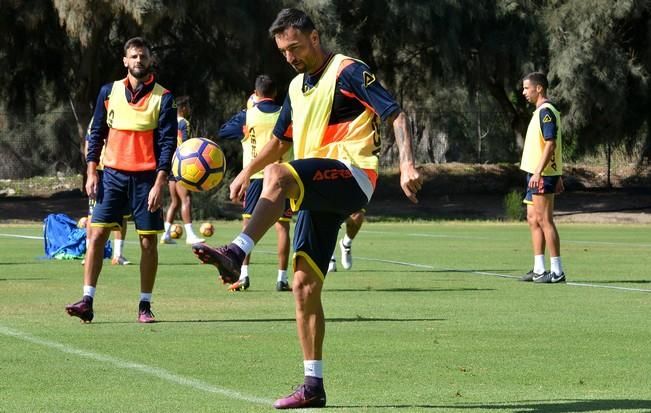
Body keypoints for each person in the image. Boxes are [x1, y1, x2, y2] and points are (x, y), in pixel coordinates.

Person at [191, 9, 422, 409]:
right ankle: (312, 385)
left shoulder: (348, 71)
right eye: (283, 51)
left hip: (352, 176)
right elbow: (280, 141)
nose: (290, 57)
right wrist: (246, 170)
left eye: (295, 47)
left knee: (280, 176)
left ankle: (237, 253)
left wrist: (406, 164)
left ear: (315, 37)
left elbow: (395, 113)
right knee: (303, 286)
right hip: (317, 188)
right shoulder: (296, 87)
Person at [65, 37, 177, 323]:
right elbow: (96, 135)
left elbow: (167, 144)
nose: (138, 61)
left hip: (146, 179)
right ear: (125, 61)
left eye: (143, 56)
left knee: (148, 243)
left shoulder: (164, 97)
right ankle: (87, 300)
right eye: (134, 56)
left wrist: (159, 182)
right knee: (96, 235)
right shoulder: (108, 92)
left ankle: (144, 305)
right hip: (111, 177)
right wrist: (92, 171)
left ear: (150, 61)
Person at [218, 74, 292, 292]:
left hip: (256, 179)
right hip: (282, 177)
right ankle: (282, 278)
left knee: (248, 227)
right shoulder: (285, 115)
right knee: (283, 228)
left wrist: (246, 109)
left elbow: (223, 130)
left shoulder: (247, 116)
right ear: (275, 93)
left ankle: (243, 275)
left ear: (255, 93)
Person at [519, 71, 565, 283]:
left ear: (539, 88)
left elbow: (550, 143)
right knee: (533, 219)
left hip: (542, 174)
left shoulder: (546, 111)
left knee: (545, 220)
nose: (523, 92)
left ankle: (557, 271)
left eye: (527, 88)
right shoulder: (538, 112)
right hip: (534, 173)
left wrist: (541, 172)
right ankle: (539, 268)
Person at [81, 120, 131, 266]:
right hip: (102, 171)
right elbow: (88, 144)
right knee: (93, 214)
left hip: (120, 170)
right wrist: (92, 170)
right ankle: (89, 253)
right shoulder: (97, 120)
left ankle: (118, 254)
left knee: (123, 215)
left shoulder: (121, 115)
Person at [160, 96, 205, 245]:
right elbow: (187, 143)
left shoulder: (171, 122)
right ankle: (190, 235)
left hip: (171, 164)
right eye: (188, 106)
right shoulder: (184, 123)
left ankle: (166, 234)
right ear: (184, 108)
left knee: (175, 202)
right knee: (186, 198)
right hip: (183, 165)